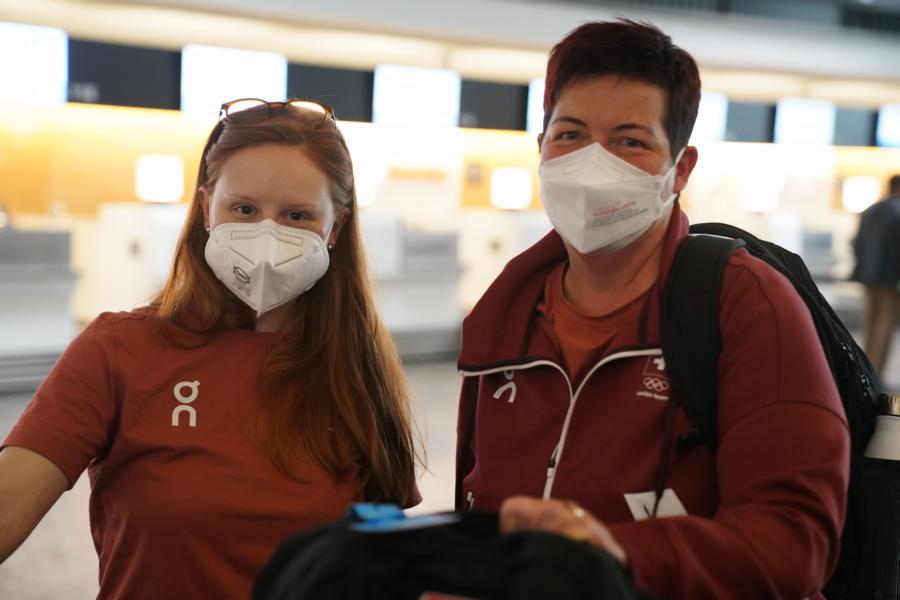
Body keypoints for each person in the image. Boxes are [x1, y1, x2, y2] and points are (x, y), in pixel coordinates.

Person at [455, 20, 850, 599]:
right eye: (569, 135)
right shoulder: (505, 317)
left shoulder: (744, 303)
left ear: (681, 170)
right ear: (540, 149)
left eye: (629, 141)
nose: (593, 165)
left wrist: (614, 559)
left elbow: (794, 541)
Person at [0, 98, 421, 598]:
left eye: (297, 215)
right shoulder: (117, 352)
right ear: (205, 208)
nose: (269, 235)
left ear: (336, 227)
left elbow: (385, 563)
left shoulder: (356, 368)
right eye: (244, 209)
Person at [851, 174, 900, 380]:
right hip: (891, 278)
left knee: (869, 323)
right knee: (885, 324)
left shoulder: (870, 210)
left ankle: (864, 368)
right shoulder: (897, 211)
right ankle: (876, 372)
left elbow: (855, 242)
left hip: (868, 275)